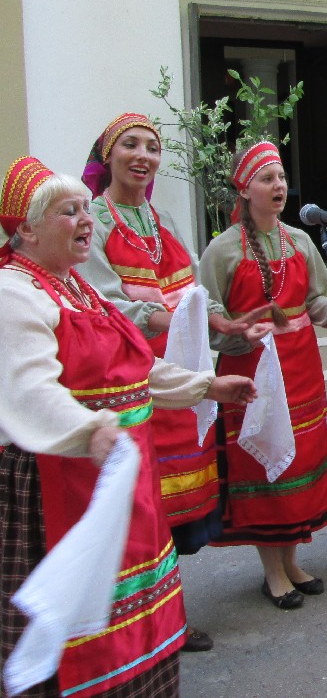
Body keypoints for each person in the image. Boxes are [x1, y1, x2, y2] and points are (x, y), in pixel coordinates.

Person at [0, 156, 255, 698]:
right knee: (85, 633)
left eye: (84, 209)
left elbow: (136, 369)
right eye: (69, 212)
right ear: (26, 227)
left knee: (145, 622)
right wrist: (89, 430)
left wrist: (206, 386)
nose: (86, 220)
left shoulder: (79, 289)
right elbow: (28, 390)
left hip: (119, 482)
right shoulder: (14, 293)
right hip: (61, 481)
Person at [77, 112, 256, 651]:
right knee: (131, 509)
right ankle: (120, 628)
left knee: (166, 518)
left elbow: (196, 297)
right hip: (127, 384)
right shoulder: (96, 221)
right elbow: (106, 305)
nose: (143, 155)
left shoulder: (165, 221)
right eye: (129, 145)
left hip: (175, 385)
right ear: (106, 156)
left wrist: (226, 328)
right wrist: (173, 319)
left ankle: (166, 616)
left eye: (152, 147)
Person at [199, 141, 327, 608]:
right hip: (251, 372)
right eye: (267, 179)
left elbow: (316, 305)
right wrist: (239, 332)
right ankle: (272, 571)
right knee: (264, 463)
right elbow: (208, 311)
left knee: (296, 462)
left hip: (301, 370)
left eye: (280, 178)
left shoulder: (300, 239)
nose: (278, 186)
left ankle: (292, 560)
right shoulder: (222, 249)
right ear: (245, 188)